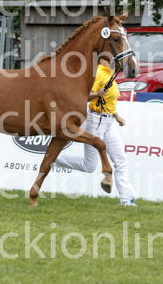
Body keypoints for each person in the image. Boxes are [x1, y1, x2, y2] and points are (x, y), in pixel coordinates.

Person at [54, 58, 137, 206]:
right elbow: (84, 97)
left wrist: (117, 117)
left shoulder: (110, 73)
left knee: (121, 160)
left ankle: (127, 199)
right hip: (96, 121)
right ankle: (53, 158)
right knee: (89, 166)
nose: (116, 59)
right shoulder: (98, 73)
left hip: (109, 122)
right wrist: (97, 93)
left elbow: (107, 101)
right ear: (104, 58)